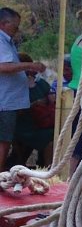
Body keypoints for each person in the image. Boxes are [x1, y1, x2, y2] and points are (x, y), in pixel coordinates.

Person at [0, 10, 47, 167]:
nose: (17, 29)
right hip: (4, 101)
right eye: (15, 25)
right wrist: (30, 65)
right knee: (4, 141)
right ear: (4, 24)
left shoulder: (8, 42)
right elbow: (4, 66)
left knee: (6, 140)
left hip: (9, 101)